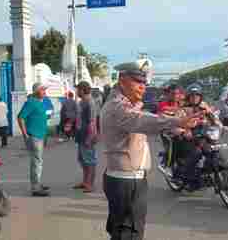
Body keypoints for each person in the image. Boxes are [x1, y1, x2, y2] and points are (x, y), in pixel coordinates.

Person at [100, 60, 202, 240]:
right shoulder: (118, 106)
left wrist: (177, 123)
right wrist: (177, 122)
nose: (143, 87)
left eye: (144, 83)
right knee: (129, 233)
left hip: (124, 178)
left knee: (123, 230)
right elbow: (140, 120)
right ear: (122, 80)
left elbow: (144, 117)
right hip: (127, 181)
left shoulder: (123, 103)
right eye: (137, 82)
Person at [17, 82, 52, 197]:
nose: (44, 92)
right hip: (34, 136)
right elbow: (20, 117)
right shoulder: (31, 102)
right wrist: (25, 134)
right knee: (36, 162)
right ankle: (35, 187)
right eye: (42, 90)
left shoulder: (39, 102)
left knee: (38, 161)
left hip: (41, 135)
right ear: (36, 91)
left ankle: (37, 183)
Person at [73, 81, 98, 193]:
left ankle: (90, 184)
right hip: (80, 135)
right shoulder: (82, 101)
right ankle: (85, 182)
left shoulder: (90, 102)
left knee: (90, 161)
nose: (76, 91)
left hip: (87, 136)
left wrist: (90, 138)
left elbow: (92, 122)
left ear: (82, 90)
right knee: (83, 160)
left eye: (78, 89)